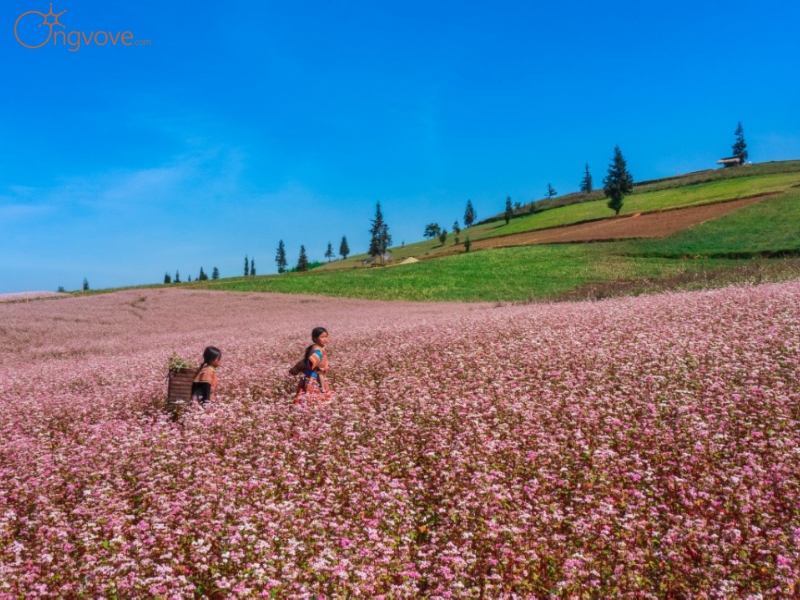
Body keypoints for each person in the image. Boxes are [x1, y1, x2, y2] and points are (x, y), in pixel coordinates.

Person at [290, 327, 331, 402]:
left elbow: (306, 362)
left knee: (306, 401)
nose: (325, 339)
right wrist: (318, 367)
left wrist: (298, 367)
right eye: (322, 337)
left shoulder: (314, 347)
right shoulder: (318, 350)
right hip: (314, 381)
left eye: (326, 336)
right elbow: (313, 362)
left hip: (308, 379)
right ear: (314, 338)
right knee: (315, 402)